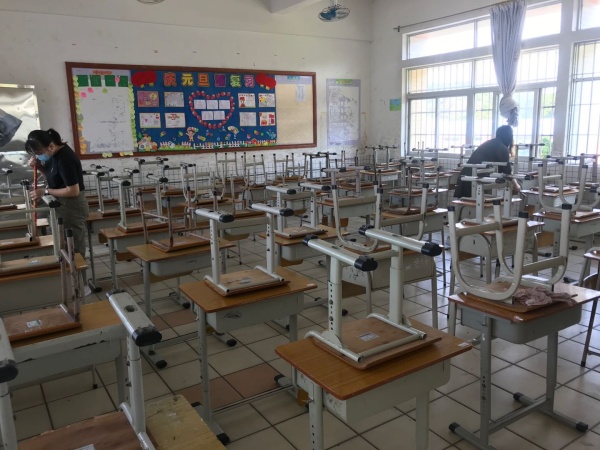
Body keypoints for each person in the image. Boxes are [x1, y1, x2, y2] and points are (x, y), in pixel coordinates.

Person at [25, 128, 89, 257]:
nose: (39, 156)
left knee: (73, 246)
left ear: (51, 146)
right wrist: (39, 166)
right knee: (63, 243)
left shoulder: (65, 159)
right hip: (61, 204)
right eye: (36, 154)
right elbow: (53, 177)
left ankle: (77, 269)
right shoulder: (53, 155)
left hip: (71, 206)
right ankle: (66, 267)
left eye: (39, 153)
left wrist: (45, 191)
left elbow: (73, 191)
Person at [453, 125, 520, 199]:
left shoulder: (489, 143)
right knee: (477, 203)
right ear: (509, 137)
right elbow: (507, 170)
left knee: (469, 203)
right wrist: (516, 185)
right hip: (474, 179)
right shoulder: (502, 148)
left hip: (466, 176)